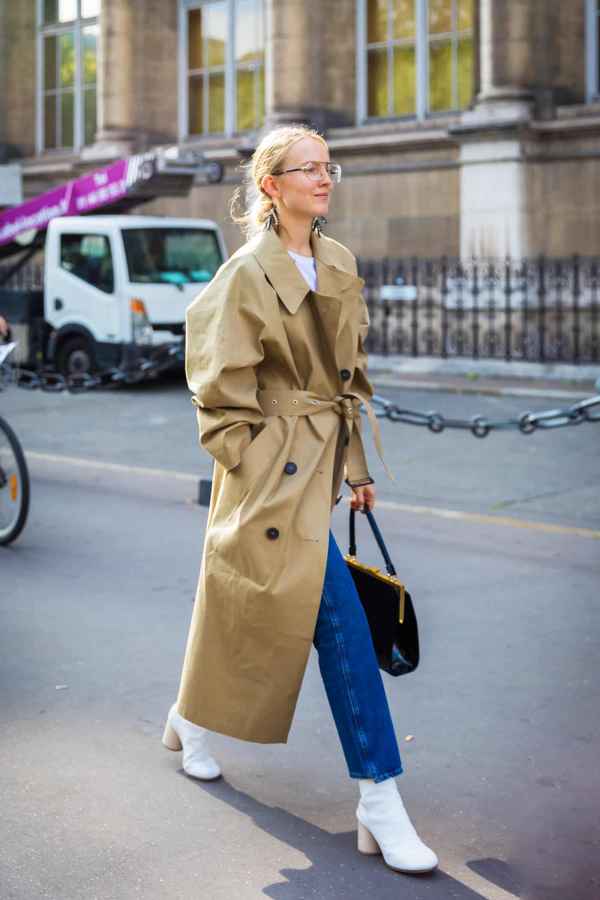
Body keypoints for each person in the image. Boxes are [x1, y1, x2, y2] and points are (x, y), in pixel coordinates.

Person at [162, 124, 438, 875]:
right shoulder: (247, 273)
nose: (324, 179)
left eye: (329, 166)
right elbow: (217, 389)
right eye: (307, 169)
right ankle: (379, 797)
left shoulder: (338, 261)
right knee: (337, 621)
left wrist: (354, 470)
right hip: (270, 470)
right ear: (270, 186)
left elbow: (346, 381)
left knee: (242, 597)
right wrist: (250, 462)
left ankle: (190, 720)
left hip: (318, 467)